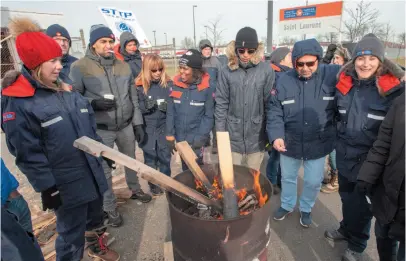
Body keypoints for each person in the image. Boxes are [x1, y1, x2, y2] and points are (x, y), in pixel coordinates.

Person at [1, 17, 119, 261]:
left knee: (96, 218)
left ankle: (96, 244)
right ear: (35, 64)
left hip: (91, 171)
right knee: (70, 234)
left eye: (59, 60)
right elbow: (26, 153)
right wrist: (48, 187)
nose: (59, 66)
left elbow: (88, 127)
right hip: (65, 184)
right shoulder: (22, 103)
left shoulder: (65, 90)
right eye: (52, 61)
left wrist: (102, 154)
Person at [324, 33, 405, 261]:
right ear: (354, 60)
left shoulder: (393, 91)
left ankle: (357, 245)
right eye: (361, 58)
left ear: (381, 61)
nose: (365, 63)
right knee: (347, 199)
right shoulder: (344, 84)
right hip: (345, 157)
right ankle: (346, 229)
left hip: (371, 164)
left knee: (363, 207)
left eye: (371, 58)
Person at [70, 24, 151, 227]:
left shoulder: (122, 66)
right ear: (93, 44)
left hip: (125, 126)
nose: (108, 46)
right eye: (103, 42)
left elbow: (132, 96)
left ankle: (134, 189)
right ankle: (109, 206)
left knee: (130, 160)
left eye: (110, 42)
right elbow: (72, 98)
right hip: (101, 129)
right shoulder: (80, 67)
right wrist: (92, 104)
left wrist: (138, 123)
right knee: (105, 170)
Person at [268, 38, 340, 228]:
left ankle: (306, 208)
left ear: (318, 60)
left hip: (318, 143)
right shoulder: (284, 80)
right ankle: (287, 204)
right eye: (301, 64)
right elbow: (274, 110)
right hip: (290, 143)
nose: (306, 68)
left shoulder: (331, 74)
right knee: (288, 178)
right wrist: (276, 135)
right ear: (294, 63)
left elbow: (359, 70)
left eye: (311, 63)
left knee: (313, 181)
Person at [215, 27, 275, 171]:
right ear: (235, 50)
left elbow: (270, 105)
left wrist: (270, 135)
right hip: (232, 137)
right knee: (232, 178)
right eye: (241, 51)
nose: (245, 55)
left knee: (252, 179)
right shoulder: (226, 71)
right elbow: (221, 105)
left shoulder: (266, 70)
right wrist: (220, 136)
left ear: (256, 50)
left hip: (256, 137)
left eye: (250, 51)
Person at [357, 92, 405, 261]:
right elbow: (383, 142)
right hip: (389, 191)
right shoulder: (401, 102)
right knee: (383, 238)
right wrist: (367, 176)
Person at [166, 49, 214, 171]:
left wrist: (200, 139)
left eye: (186, 68)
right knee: (185, 170)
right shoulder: (174, 85)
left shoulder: (206, 88)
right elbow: (171, 112)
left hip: (197, 139)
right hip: (181, 138)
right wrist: (170, 134)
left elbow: (208, 116)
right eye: (180, 67)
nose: (182, 71)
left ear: (196, 71)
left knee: (198, 170)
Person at [136, 54, 172, 196]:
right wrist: (145, 106)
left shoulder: (168, 84)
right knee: (150, 157)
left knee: (165, 156)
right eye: (154, 70)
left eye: (160, 69)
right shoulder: (139, 86)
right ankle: (153, 185)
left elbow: (174, 105)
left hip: (163, 126)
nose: (157, 73)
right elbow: (135, 107)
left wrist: (167, 107)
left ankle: (167, 182)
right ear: (146, 70)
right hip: (148, 127)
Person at [266, 46, 292, 194]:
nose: (292, 60)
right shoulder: (275, 75)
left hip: (285, 121)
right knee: (275, 155)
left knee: (281, 155)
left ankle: (279, 180)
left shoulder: (286, 73)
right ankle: (271, 182)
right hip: (277, 122)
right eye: (289, 57)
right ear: (282, 59)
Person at [199, 39, 222, 154]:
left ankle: (216, 144)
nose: (207, 51)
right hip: (202, 95)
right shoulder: (198, 62)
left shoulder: (216, 61)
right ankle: (205, 139)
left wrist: (218, 92)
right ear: (201, 50)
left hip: (214, 95)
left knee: (215, 119)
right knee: (203, 118)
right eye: (205, 49)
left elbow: (221, 78)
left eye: (209, 49)